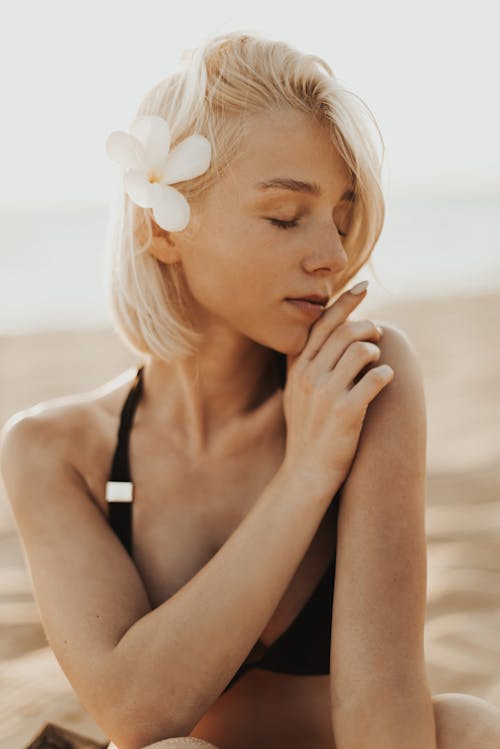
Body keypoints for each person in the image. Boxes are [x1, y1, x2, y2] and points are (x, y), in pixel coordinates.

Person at [2, 29, 500, 749]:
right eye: (285, 216)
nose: (331, 254)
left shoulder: (368, 376)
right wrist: (306, 474)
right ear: (162, 230)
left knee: (470, 727)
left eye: (340, 214)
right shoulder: (54, 450)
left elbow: (384, 713)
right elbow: (135, 714)